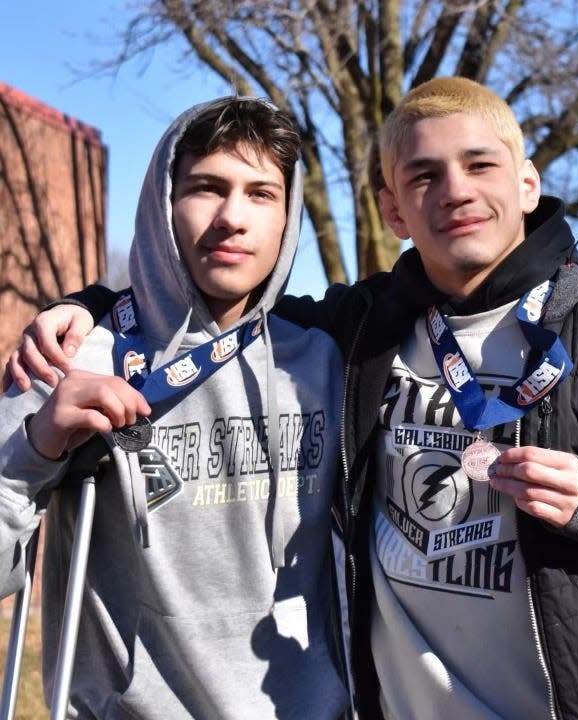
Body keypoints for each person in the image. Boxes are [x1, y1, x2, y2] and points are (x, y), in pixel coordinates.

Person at [8, 77, 578, 719]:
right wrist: (87, 323)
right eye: (205, 188)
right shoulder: (351, 334)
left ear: (527, 183)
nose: (457, 192)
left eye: (261, 194)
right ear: (392, 209)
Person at [0, 97, 352, 719]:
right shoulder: (69, 358)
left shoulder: (325, 359)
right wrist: (37, 446)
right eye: (206, 188)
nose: (231, 218)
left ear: (289, 214)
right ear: (165, 203)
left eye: (261, 194)